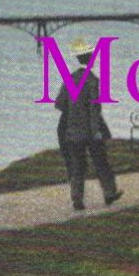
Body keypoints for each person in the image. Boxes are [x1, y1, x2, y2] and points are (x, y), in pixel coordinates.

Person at [54, 39, 123, 211]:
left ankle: (77, 199)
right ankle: (109, 193)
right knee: (101, 162)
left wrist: (73, 112)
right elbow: (94, 109)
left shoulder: (70, 79)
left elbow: (59, 104)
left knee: (77, 165)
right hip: (91, 131)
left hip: (73, 130)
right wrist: (96, 131)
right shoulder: (92, 81)